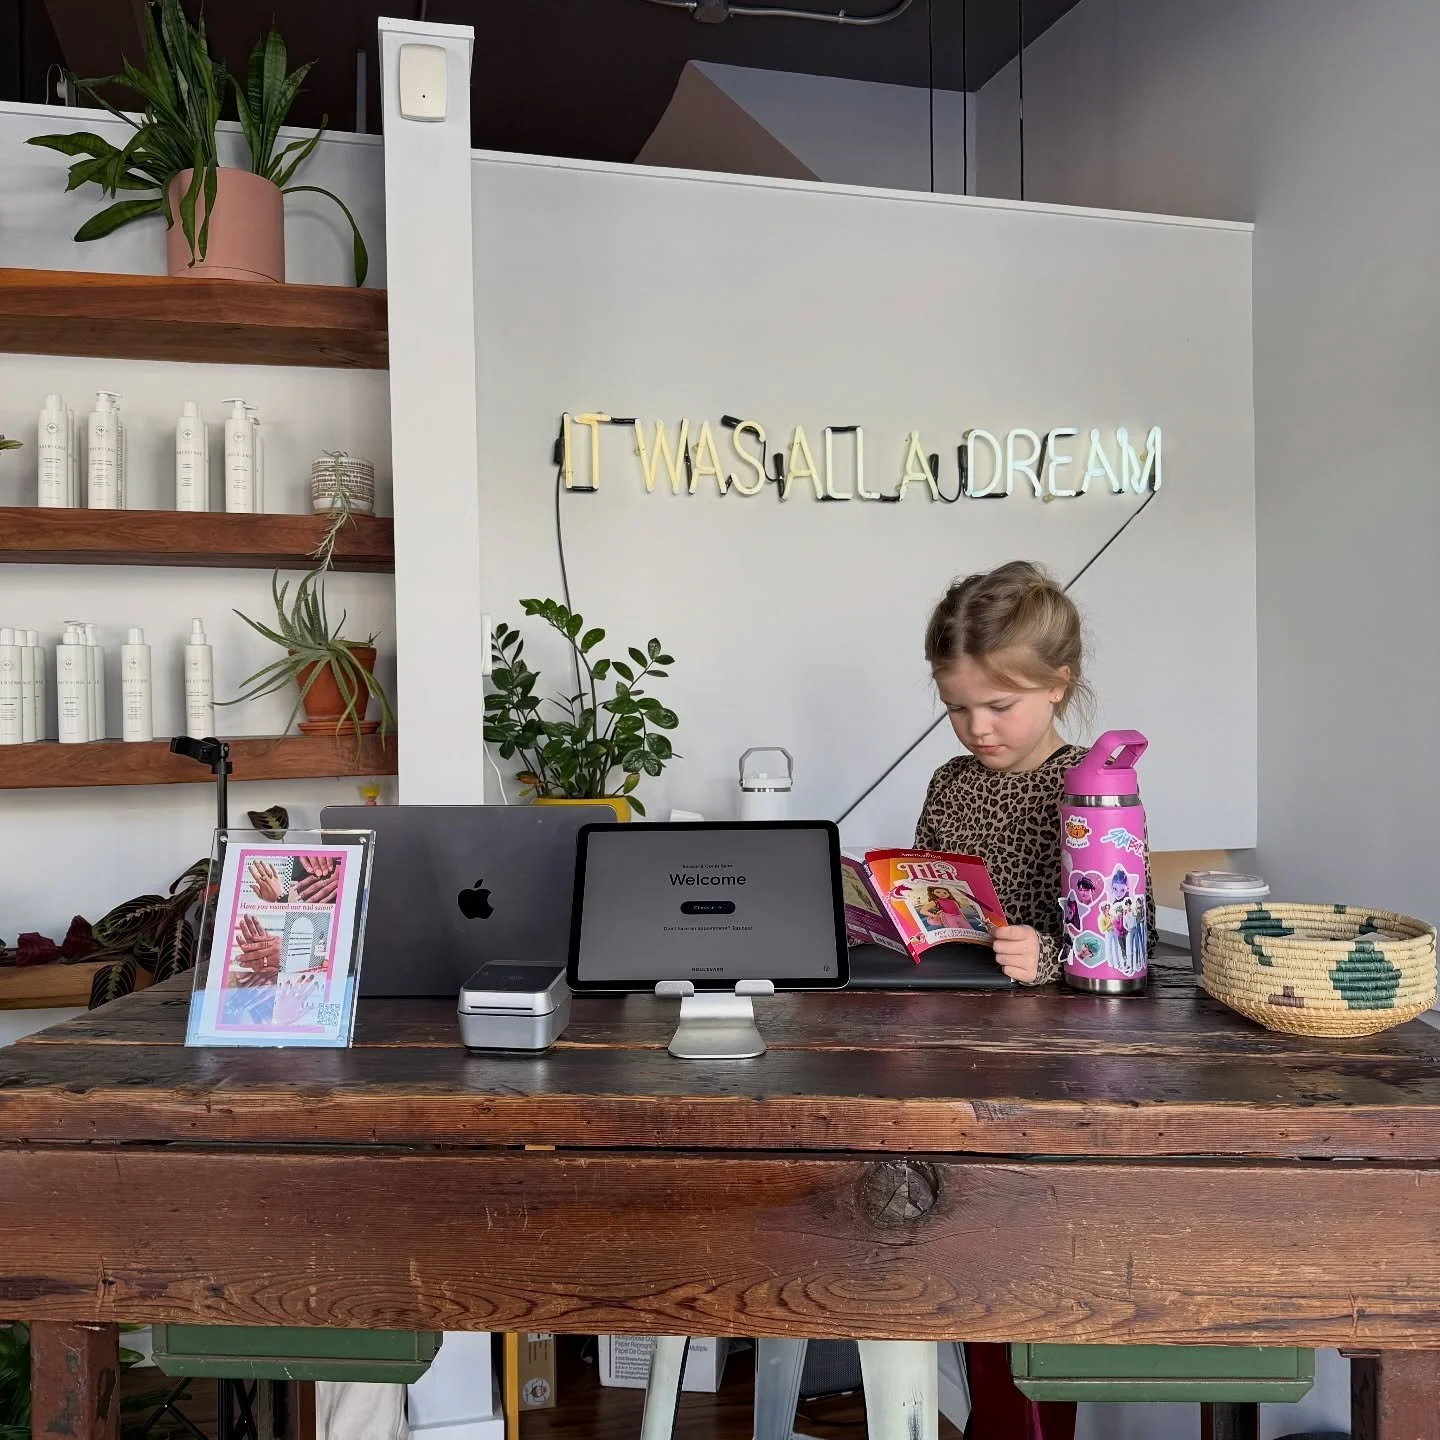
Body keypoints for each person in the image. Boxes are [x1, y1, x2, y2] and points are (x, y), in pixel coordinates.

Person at [912, 559, 1154, 1440]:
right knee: (956, 1258)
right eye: (957, 707)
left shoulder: (1090, 786)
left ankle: (1019, 1424)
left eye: (999, 706)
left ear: (1059, 686)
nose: (978, 728)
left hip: (1054, 1071)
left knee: (1023, 1270)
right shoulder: (951, 783)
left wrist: (1047, 953)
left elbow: (1128, 929)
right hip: (955, 1050)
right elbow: (930, 886)